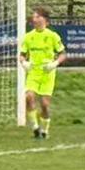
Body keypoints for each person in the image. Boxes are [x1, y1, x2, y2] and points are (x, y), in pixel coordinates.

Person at [19, 8, 66, 139]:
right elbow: (22, 55)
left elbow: (63, 54)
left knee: (44, 105)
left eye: (38, 17)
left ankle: (45, 130)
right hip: (34, 72)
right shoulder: (29, 37)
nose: (35, 19)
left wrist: (54, 64)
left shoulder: (52, 36)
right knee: (29, 97)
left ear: (45, 20)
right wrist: (24, 63)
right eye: (34, 17)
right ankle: (35, 128)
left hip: (48, 74)